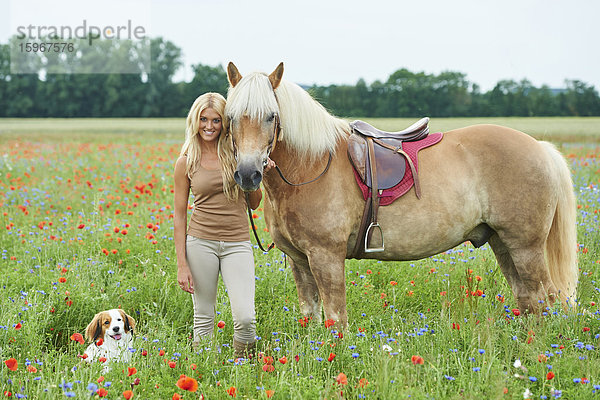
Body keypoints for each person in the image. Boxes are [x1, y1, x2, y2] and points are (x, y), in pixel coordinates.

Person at [173, 92, 274, 358]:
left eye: (216, 120)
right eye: (203, 119)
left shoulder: (237, 154)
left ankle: (244, 367)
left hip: (237, 243)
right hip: (200, 243)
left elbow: (254, 204)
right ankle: (204, 372)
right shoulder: (185, 162)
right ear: (195, 121)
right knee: (204, 318)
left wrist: (257, 174)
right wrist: (182, 264)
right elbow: (180, 215)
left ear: (224, 123)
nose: (209, 126)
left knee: (245, 318)